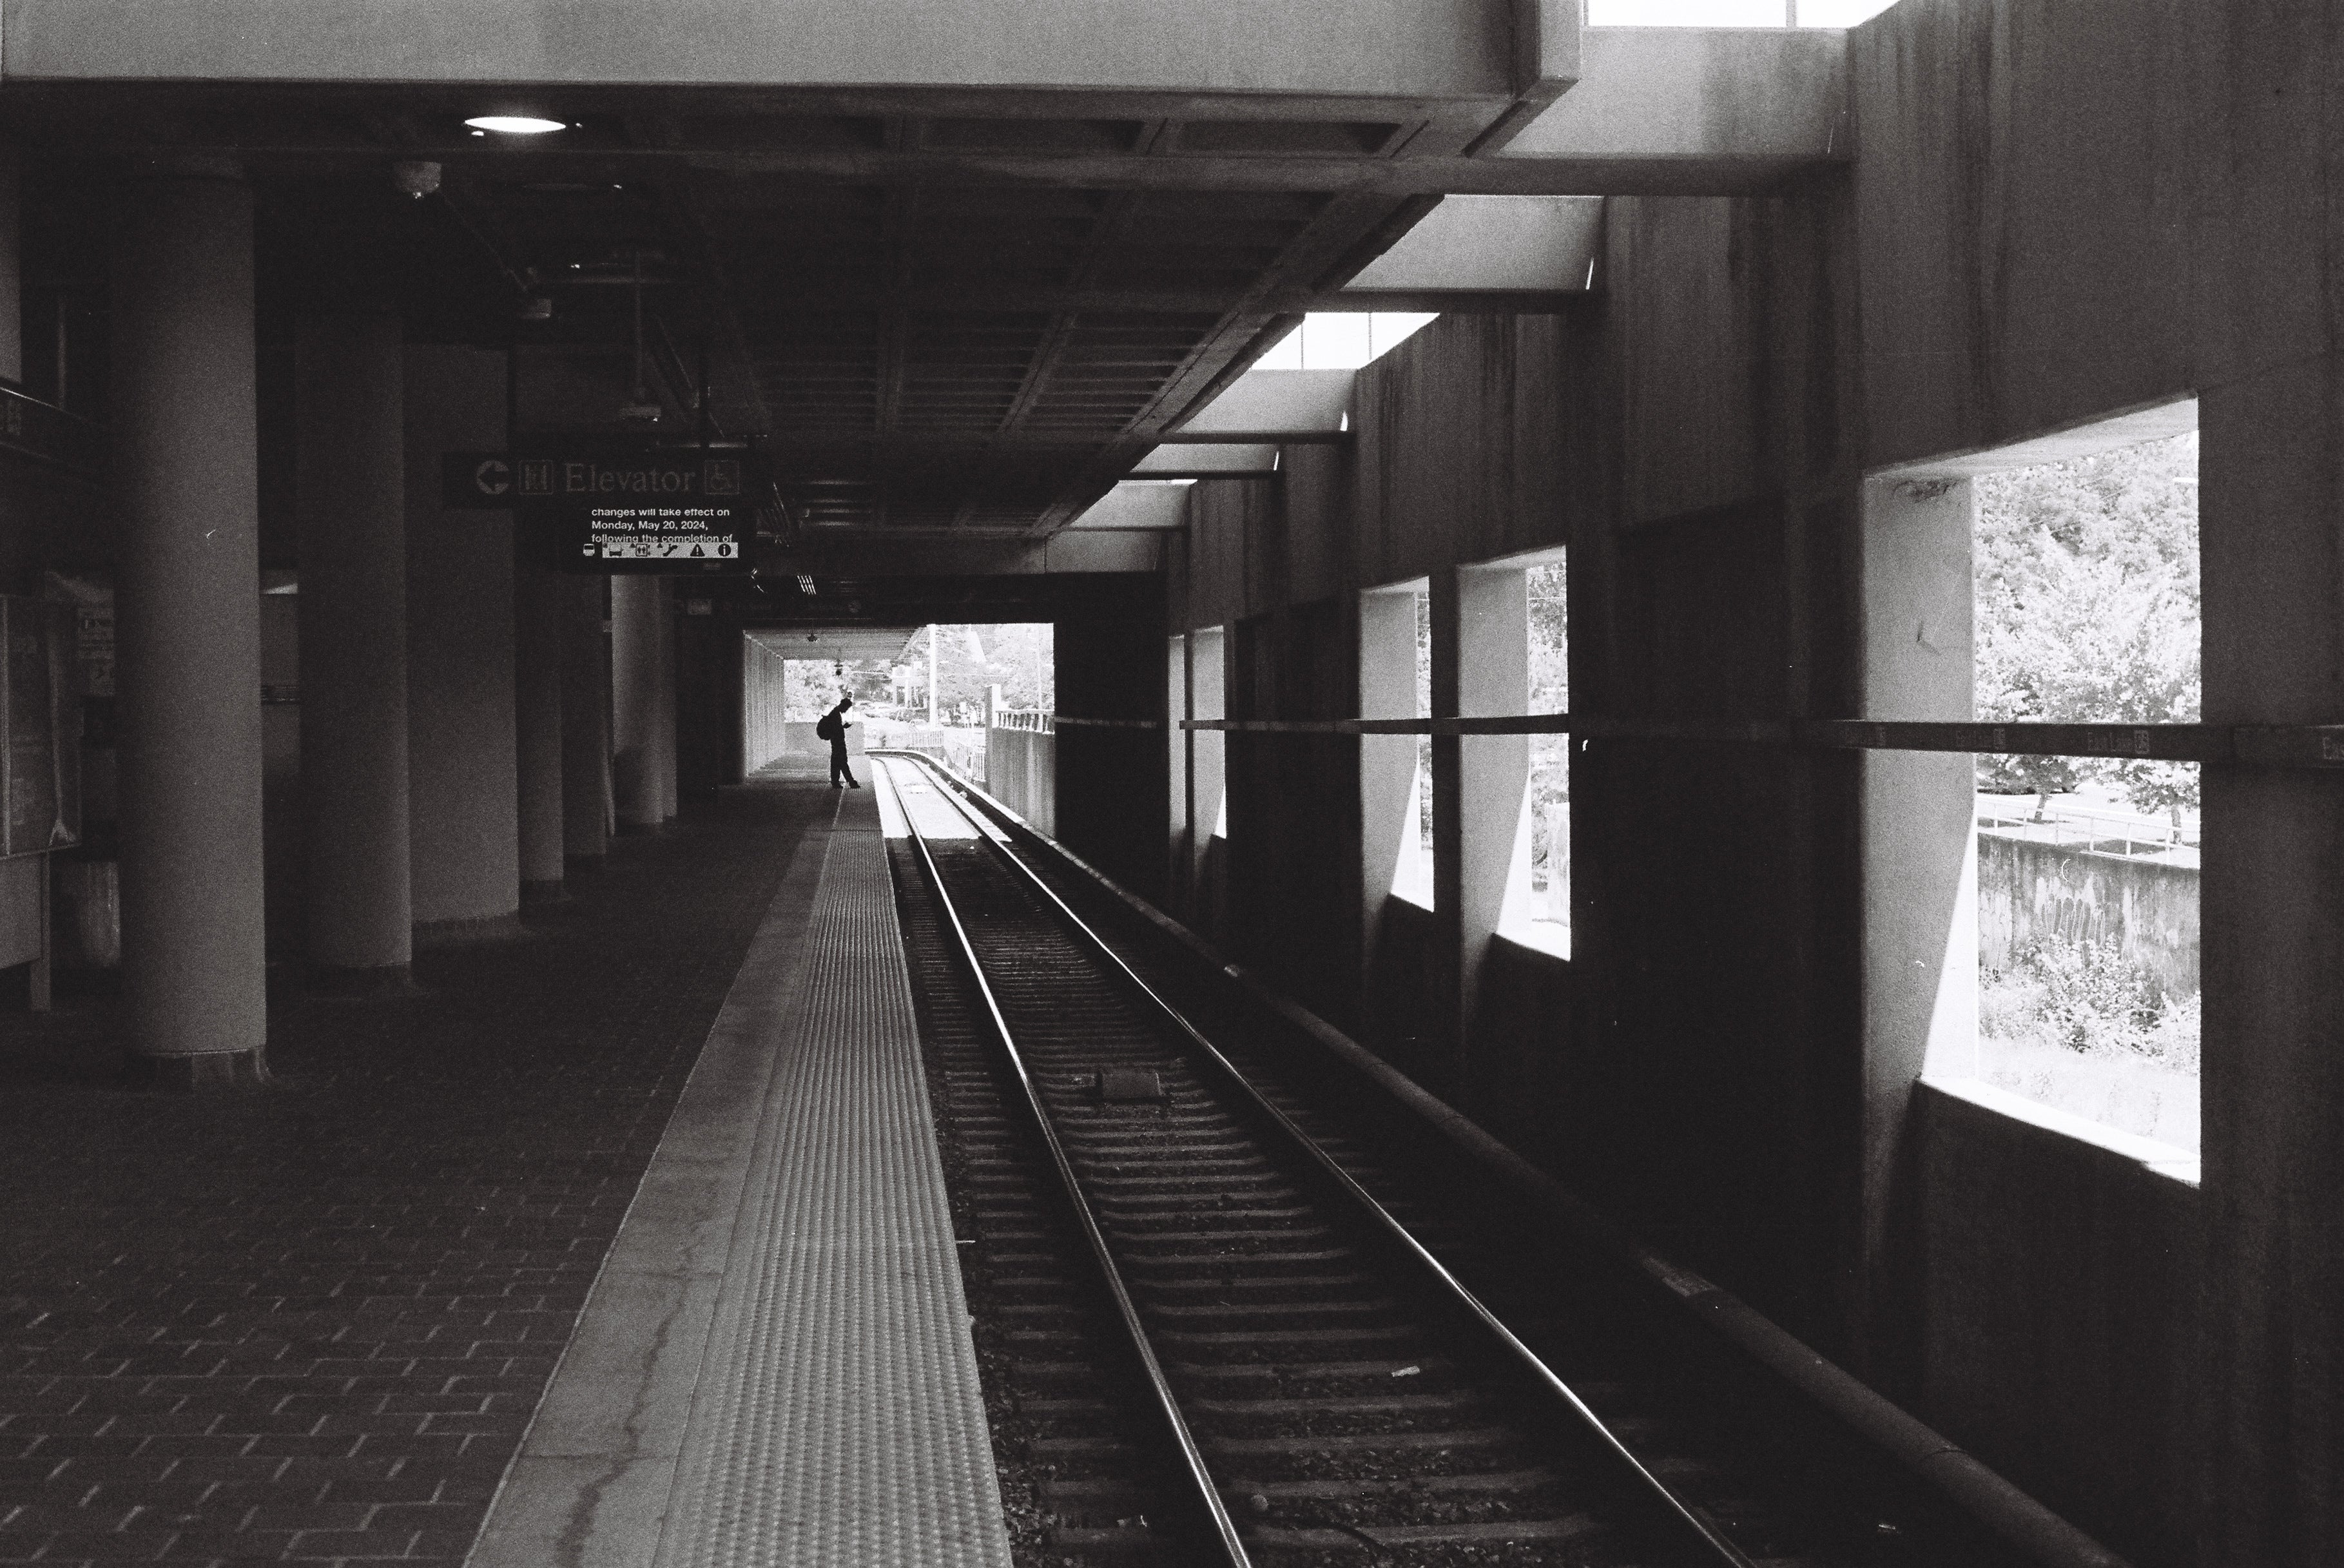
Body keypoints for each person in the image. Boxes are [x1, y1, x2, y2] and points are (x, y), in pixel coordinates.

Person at [819, 694, 860, 788]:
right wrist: (843, 727)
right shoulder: (835, 714)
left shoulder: (835, 713)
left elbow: (835, 728)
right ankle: (850, 782)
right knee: (842, 762)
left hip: (836, 742)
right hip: (838, 743)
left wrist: (842, 727)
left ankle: (837, 782)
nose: (846, 710)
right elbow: (836, 729)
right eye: (847, 708)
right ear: (843, 706)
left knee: (837, 763)